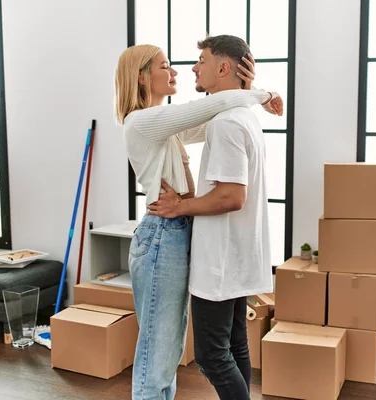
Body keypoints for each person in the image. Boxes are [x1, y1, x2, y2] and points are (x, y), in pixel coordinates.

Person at [114, 43, 283, 400]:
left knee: (169, 349)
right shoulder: (142, 122)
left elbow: (217, 114)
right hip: (162, 234)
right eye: (166, 66)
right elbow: (214, 106)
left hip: (176, 230)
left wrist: (242, 91)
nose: (177, 72)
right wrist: (260, 94)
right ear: (142, 77)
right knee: (157, 354)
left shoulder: (165, 126)